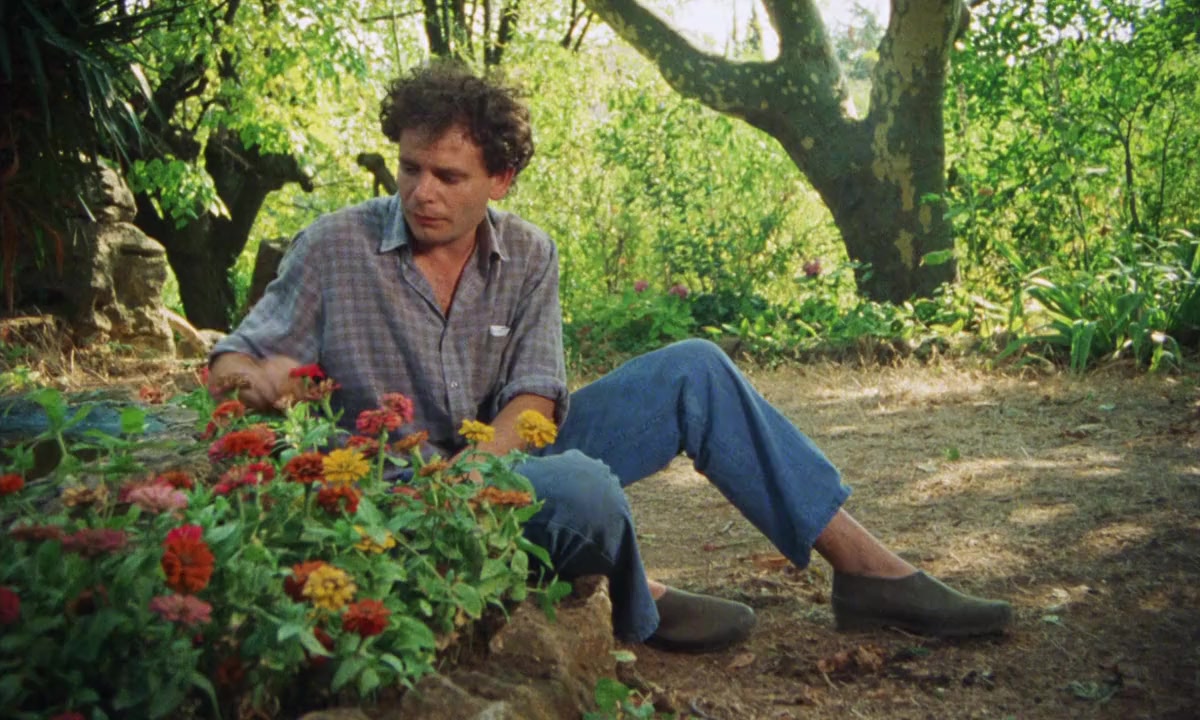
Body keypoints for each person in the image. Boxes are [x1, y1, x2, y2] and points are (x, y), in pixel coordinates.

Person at [209, 63, 1012, 653]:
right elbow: (232, 365)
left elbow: (535, 402)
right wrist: (257, 381)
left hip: (504, 460)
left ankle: (868, 574)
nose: (422, 191)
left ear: (501, 179)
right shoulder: (333, 246)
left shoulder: (529, 255)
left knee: (696, 367)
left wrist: (479, 473)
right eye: (410, 168)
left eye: (449, 176)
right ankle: (642, 600)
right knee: (584, 489)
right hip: (398, 494)